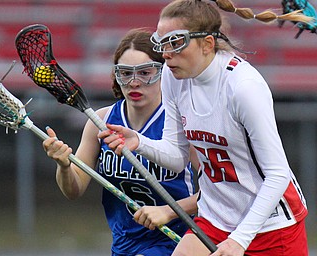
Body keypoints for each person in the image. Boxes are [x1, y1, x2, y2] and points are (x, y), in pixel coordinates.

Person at [100, 1, 310, 255]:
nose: (166, 54)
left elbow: (277, 174)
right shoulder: (172, 77)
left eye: (175, 43)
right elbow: (177, 157)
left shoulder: (243, 87)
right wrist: (139, 143)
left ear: (207, 44)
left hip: (270, 225)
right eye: (161, 43)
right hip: (215, 217)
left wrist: (239, 240)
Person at [42, 28, 198, 256]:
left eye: (145, 72)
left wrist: (169, 211)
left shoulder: (181, 123)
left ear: (163, 73)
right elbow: (74, 189)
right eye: (125, 73)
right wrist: (64, 165)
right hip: (124, 245)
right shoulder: (101, 121)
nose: (134, 82)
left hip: (178, 242)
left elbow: (218, 193)